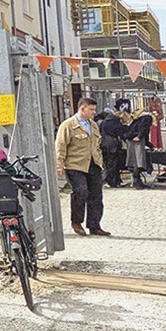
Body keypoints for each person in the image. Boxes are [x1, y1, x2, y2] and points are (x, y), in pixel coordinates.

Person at [55, 96, 108, 236]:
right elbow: (60, 146)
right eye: (91, 109)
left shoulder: (93, 125)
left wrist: (100, 160)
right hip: (75, 165)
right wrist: (59, 165)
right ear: (82, 109)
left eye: (94, 110)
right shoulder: (68, 125)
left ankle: (94, 225)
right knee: (81, 191)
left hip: (93, 164)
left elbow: (97, 145)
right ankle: (76, 222)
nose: (93, 112)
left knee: (96, 195)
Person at [124, 109, 155, 190]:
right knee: (138, 160)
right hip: (136, 139)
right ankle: (137, 181)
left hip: (131, 138)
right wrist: (140, 136)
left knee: (134, 160)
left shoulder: (138, 119)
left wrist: (149, 144)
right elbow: (144, 129)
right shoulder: (147, 118)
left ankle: (136, 180)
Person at [99, 109, 129, 188]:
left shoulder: (104, 122)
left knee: (107, 164)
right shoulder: (114, 122)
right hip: (112, 145)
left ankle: (110, 181)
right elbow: (121, 133)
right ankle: (113, 182)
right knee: (113, 164)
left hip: (103, 144)